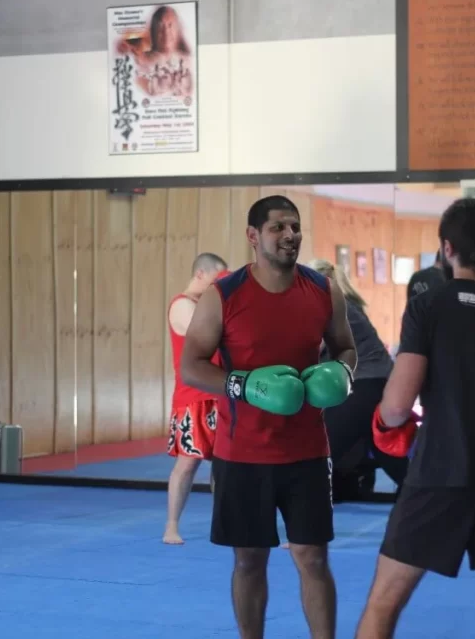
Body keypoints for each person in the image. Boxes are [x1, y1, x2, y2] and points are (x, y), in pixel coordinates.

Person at [356, 198, 475, 639]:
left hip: (443, 468)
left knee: (384, 602)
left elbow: (398, 404)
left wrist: (384, 424)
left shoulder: (430, 306)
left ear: (447, 248)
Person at [181, 195, 357, 639]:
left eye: (294, 227)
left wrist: (341, 372)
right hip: (243, 453)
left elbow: (346, 348)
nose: (290, 235)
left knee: (313, 556)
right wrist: (243, 384)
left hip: (307, 452)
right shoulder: (224, 295)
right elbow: (192, 365)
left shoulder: (322, 289)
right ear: (253, 236)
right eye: (278, 227)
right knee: (249, 559)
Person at [307, 258, 400, 500]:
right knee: (380, 447)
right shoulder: (342, 303)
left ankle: (306, 531)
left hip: (364, 383)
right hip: (378, 381)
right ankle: (420, 493)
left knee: (317, 450)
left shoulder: (328, 305)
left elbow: (309, 351)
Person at [164, 252, 229, 545]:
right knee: (188, 463)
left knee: (224, 464)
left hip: (220, 394)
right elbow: (206, 337)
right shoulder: (181, 305)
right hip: (193, 398)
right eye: (216, 282)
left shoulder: (208, 306)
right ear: (200, 275)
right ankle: (171, 526)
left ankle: (224, 525)